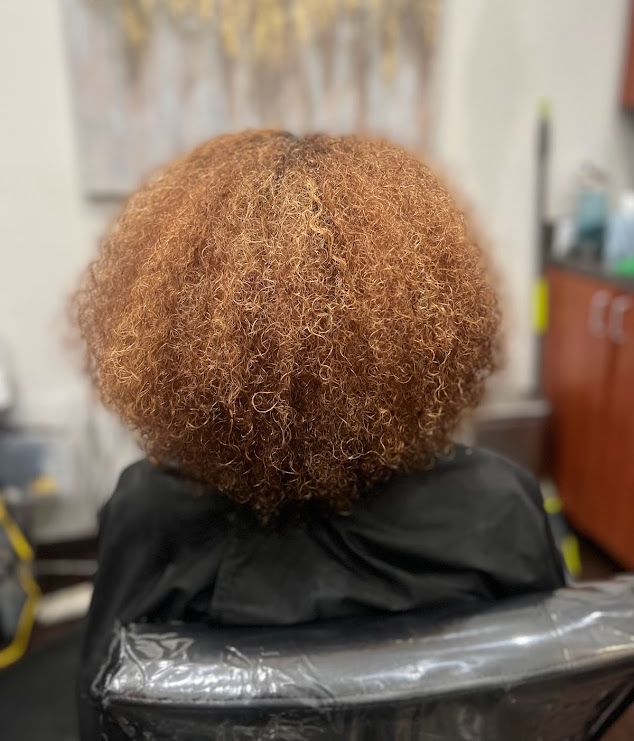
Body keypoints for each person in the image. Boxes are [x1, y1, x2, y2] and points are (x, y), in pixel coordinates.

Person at [74, 131, 565, 735]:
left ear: (174, 338)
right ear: (429, 330)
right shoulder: (497, 506)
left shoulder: (151, 516)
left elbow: (103, 714)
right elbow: (552, 699)